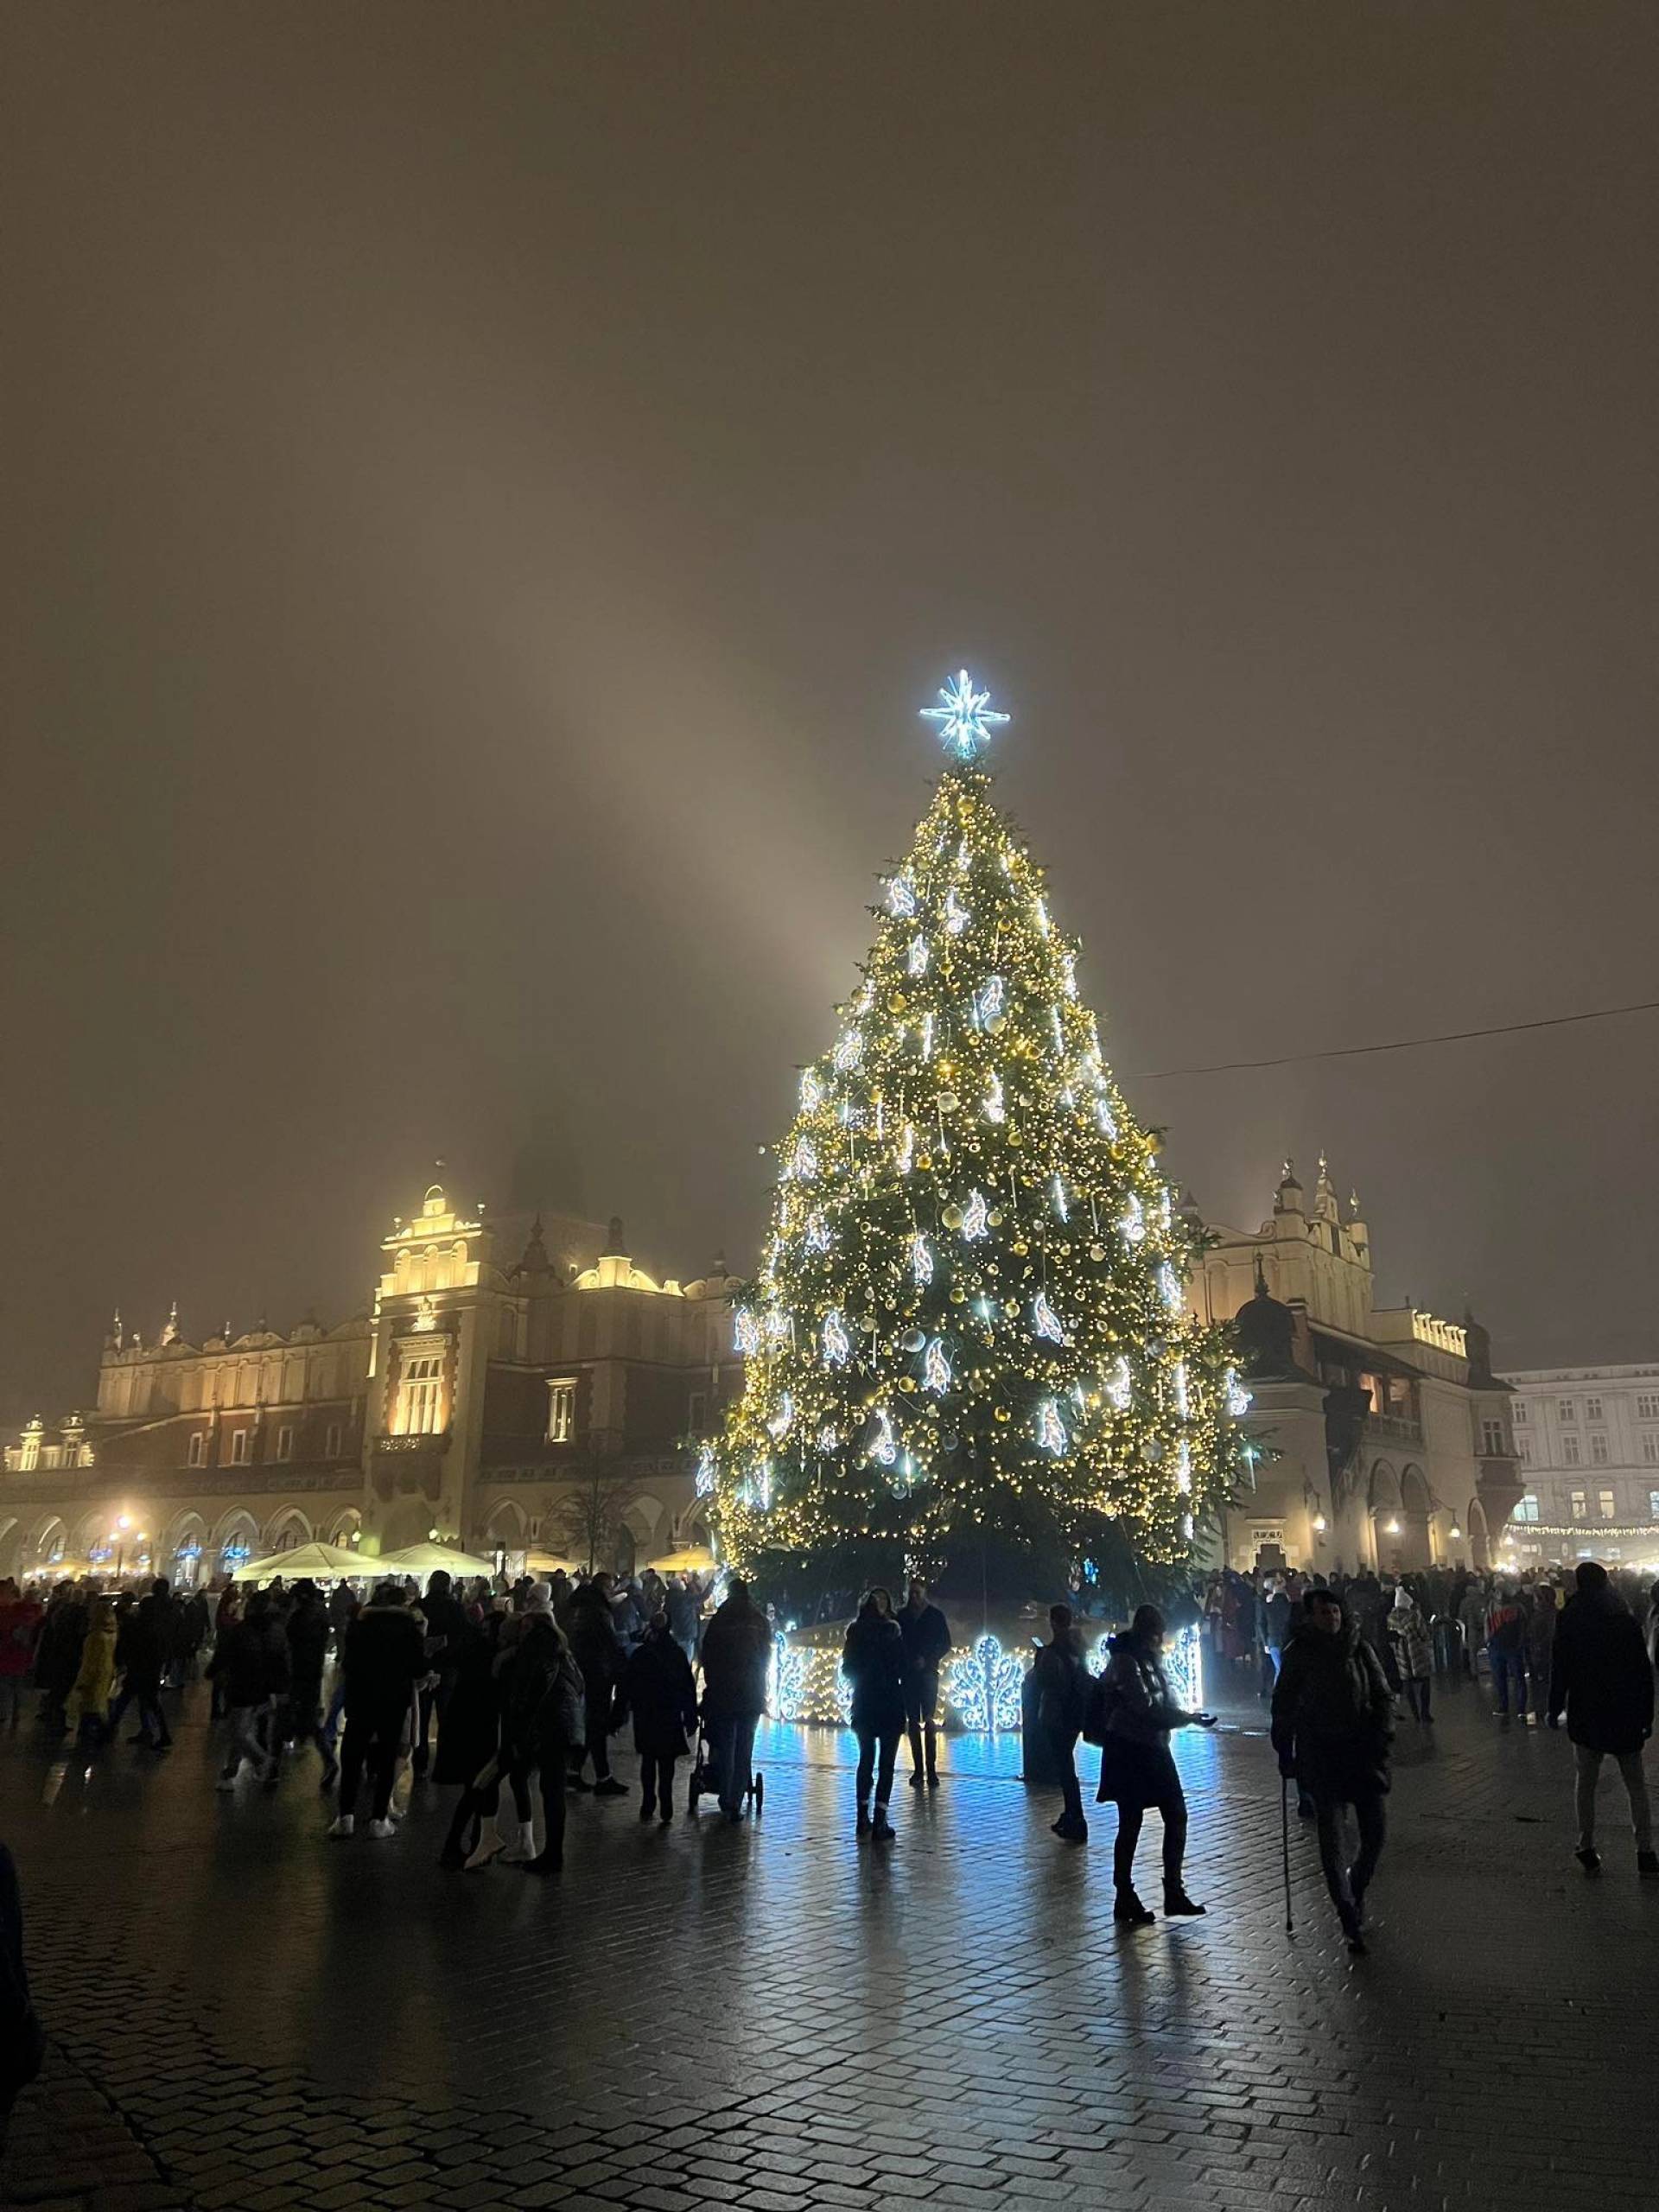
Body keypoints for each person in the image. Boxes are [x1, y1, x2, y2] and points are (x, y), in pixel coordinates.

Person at [1272, 1588, 1394, 1953]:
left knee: (1375, 1834)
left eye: (1336, 1611)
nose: (1332, 1618)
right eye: (1324, 1613)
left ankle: (1355, 1888)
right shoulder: (1299, 1655)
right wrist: (1284, 1751)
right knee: (1332, 1839)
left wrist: (1383, 1734)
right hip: (1321, 1756)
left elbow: (1382, 1693)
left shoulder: (1359, 1647)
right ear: (1311, 1617)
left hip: (1361, 1753)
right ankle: (1346, 1913)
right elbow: (1283, 1707)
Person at [1097, 1604, 1216, 1923]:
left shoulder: (1146, 1658)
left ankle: (1171, 1891)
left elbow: (1160, 1700)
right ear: (1149, 1632)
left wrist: (1183, 1717)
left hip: (1150, 1746)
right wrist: (1186, 1719)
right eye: (1158, 1633)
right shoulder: (1126, 1660)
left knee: (1173, 1815)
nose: (1162, 1639)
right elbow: (1144, 1706)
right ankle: (1126, 1894)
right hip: (1132, 1748)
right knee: (1133, 1822)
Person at [1547, 1560, 1656, 1877]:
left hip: (1586, 1712)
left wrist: (1554, 1708)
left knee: (1585, 1784)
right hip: (1624, 1712)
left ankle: (1586, 1846)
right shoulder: (1623, 1619)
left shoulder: (1569, 1618)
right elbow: (1642, 1672)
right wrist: (1647, 1713)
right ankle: (1645, 1851)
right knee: (1636, 1785)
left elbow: (1560, 1669)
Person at [329, 1583, 427, 1839]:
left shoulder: (360, 1626)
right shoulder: (408, 1628)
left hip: (360, 1699)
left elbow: (348, 1662)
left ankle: (345, 1816)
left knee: (352, 1757)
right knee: (386, 1757)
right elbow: (419, 1667)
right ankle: (378, 1818)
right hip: (393, 1701)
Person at [498, 1587, 585, 1873]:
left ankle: (552, 1855)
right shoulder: (561, 1648)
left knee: (551, 1790)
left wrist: (518, 1731)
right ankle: (551, 1851)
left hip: (549, 1727)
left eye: (525, 1623)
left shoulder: (536, 1647)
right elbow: (579, 1684)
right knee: (552, 1789)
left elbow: (526, 1692)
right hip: (565, 1725)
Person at [698, 1576, 773, 1822]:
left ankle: (726, 1796)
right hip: (751, 1692)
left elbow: (707, 1652)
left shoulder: (722, 1619)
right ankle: (736, 1799)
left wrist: (712, 1681)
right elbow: (765, 1655)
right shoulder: (759, 1620)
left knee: (727, 1744)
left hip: (725, 1692)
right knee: (744, 1748)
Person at [842, 1589, 906, 1842]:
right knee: (887, 1764)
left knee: (866, 1759)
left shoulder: (855, 1633)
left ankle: (861, 1817)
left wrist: (864, 1676)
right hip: (890, 1700)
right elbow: (902, 1666)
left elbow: (847, 1669)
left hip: (865, 1702)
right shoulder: (892, 1632)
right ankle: (881, 1819)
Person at [625, 1611, 699, 1823]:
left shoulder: (642, 1654)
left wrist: (621, 1711)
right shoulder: (676, 1654)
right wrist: (690, 1716)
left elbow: (628, 1684)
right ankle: (666, 1798)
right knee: (667, 1761)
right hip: (669, 1713)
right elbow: (687, 1687)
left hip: (646, 1713)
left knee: (648, 1759)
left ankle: (649, 1800)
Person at [213, 1593, 290, 1789]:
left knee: (239, 1732)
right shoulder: (276, 1631)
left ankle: (262, 1761)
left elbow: (225, 1654)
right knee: (241, 1730)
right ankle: (229, 1773)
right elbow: (280, 1661)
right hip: (264, 1689)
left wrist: (213, 1671)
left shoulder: (243, 1630)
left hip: (244, 1687)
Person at [1031, 1603, 1091, 1842]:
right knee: (1067, 1766)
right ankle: (1071, 1814)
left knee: (1065, 1768)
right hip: (1075, 1712)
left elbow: (1044, 1681)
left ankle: (1075, 1817)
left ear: (1053, 1622)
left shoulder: (1052, 1652)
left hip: (1057, 1714)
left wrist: (1039, 1657)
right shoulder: (1078, 1647)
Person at [564, 1573, 628, 1796]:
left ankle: (578, 1772)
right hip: (596, 1672)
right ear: (603, 1587)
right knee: (596, 1724)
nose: (612, 1591)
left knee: (592, 1725)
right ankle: (601, 1777)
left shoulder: (576, 1606)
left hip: (579, 1671)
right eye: (610, 1587)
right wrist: (618, 1663)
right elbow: (607, 1642)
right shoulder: (598, 1611)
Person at [412, 1570, 469, 1778]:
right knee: (446, 1717)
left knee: (422, 1716)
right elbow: (463, 1636)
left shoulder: (419, 1607)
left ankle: (420, 1764)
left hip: (423, 1668)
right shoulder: (455, 1608)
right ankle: (445, 1763)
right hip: (448, 1668)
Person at [897, 1579, 952, 1789]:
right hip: (909, 1674)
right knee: (913, 1721)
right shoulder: (902, 1617)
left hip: (928, 1672)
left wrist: (928, 1659)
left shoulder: (935, 1616)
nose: (914, 1597)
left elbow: (945, 1643)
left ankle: (931, 1769)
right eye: (911, 1593)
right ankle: (919, 1769)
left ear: (924, 1593)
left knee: (928, 1720)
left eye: (917, 1593)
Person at [282, 1580, 337, 1788]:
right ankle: (326, 1758)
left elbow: (291, 1641)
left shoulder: (302, 1616)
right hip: (312, 1671)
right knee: (304, 1717)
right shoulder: (321, 1613)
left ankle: (270, 1766)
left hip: (299, 1671)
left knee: (294, 1716)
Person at [108, 1576, 175, 1748]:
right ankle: (150, 1732)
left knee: (129, 1698)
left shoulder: (145, 1620)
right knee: (148, 1701)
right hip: (155, 1662)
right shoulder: (168, 1611)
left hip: (141, 1664)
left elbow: (133, 1635)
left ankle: (109, 1730)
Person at [66, 1598, 118, 1745]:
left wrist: (84, 1680)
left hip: (94, 1672)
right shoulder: (112, 1632)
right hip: (106, 1670)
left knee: (89, 1705)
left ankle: (94, 1735)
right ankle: (98, 1733)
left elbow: (91, 1660)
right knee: (99, 1704)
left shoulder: (95, 1636)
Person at [1387, 1585, 1433, 1724]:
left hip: (1402, 1654)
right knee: (1425, 1682)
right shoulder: (1414, 1616)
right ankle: (1425, 1713)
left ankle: (1415, 1715)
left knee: (1407, 1683)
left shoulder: (1390, 1618)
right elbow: (1424, 1635)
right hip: (1417, 1652)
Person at [0, 1580, 41, 1732]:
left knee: (5, 1685)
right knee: (16, 1686)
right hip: (20, 1655)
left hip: (9, 1654)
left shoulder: (9, 1612)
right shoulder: (33, 1613)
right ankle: (14, 1713)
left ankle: (4, 1713)